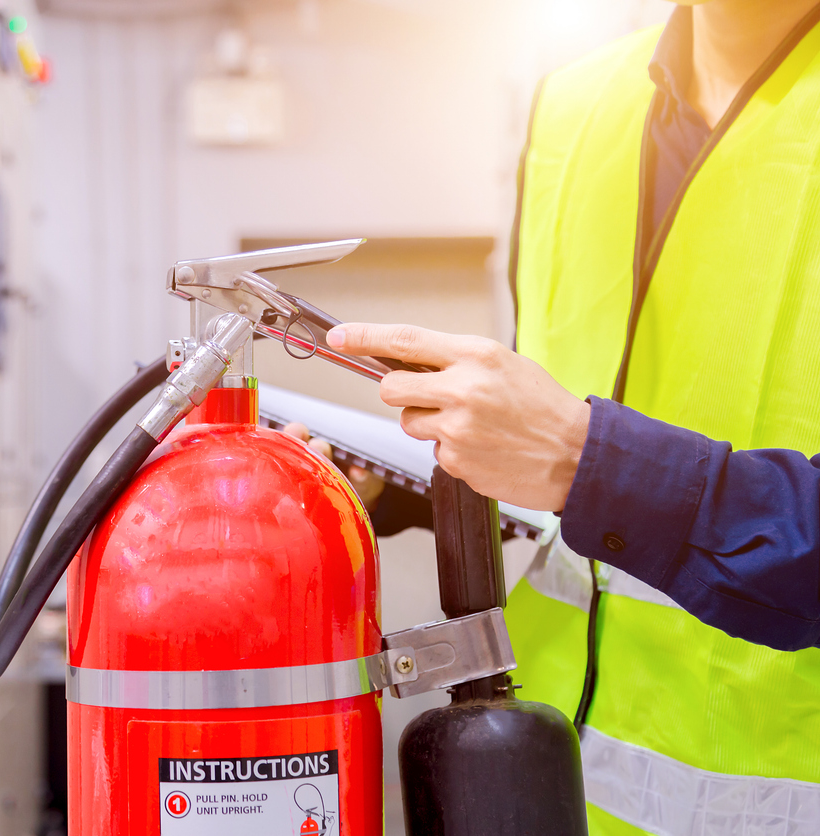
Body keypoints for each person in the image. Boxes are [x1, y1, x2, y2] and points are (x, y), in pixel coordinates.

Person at [298, 1, 820, 833]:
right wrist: (416, 473)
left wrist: (590, 463)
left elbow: (583, 458)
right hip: (542, 793)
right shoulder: (572, 110)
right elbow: (559, 478)